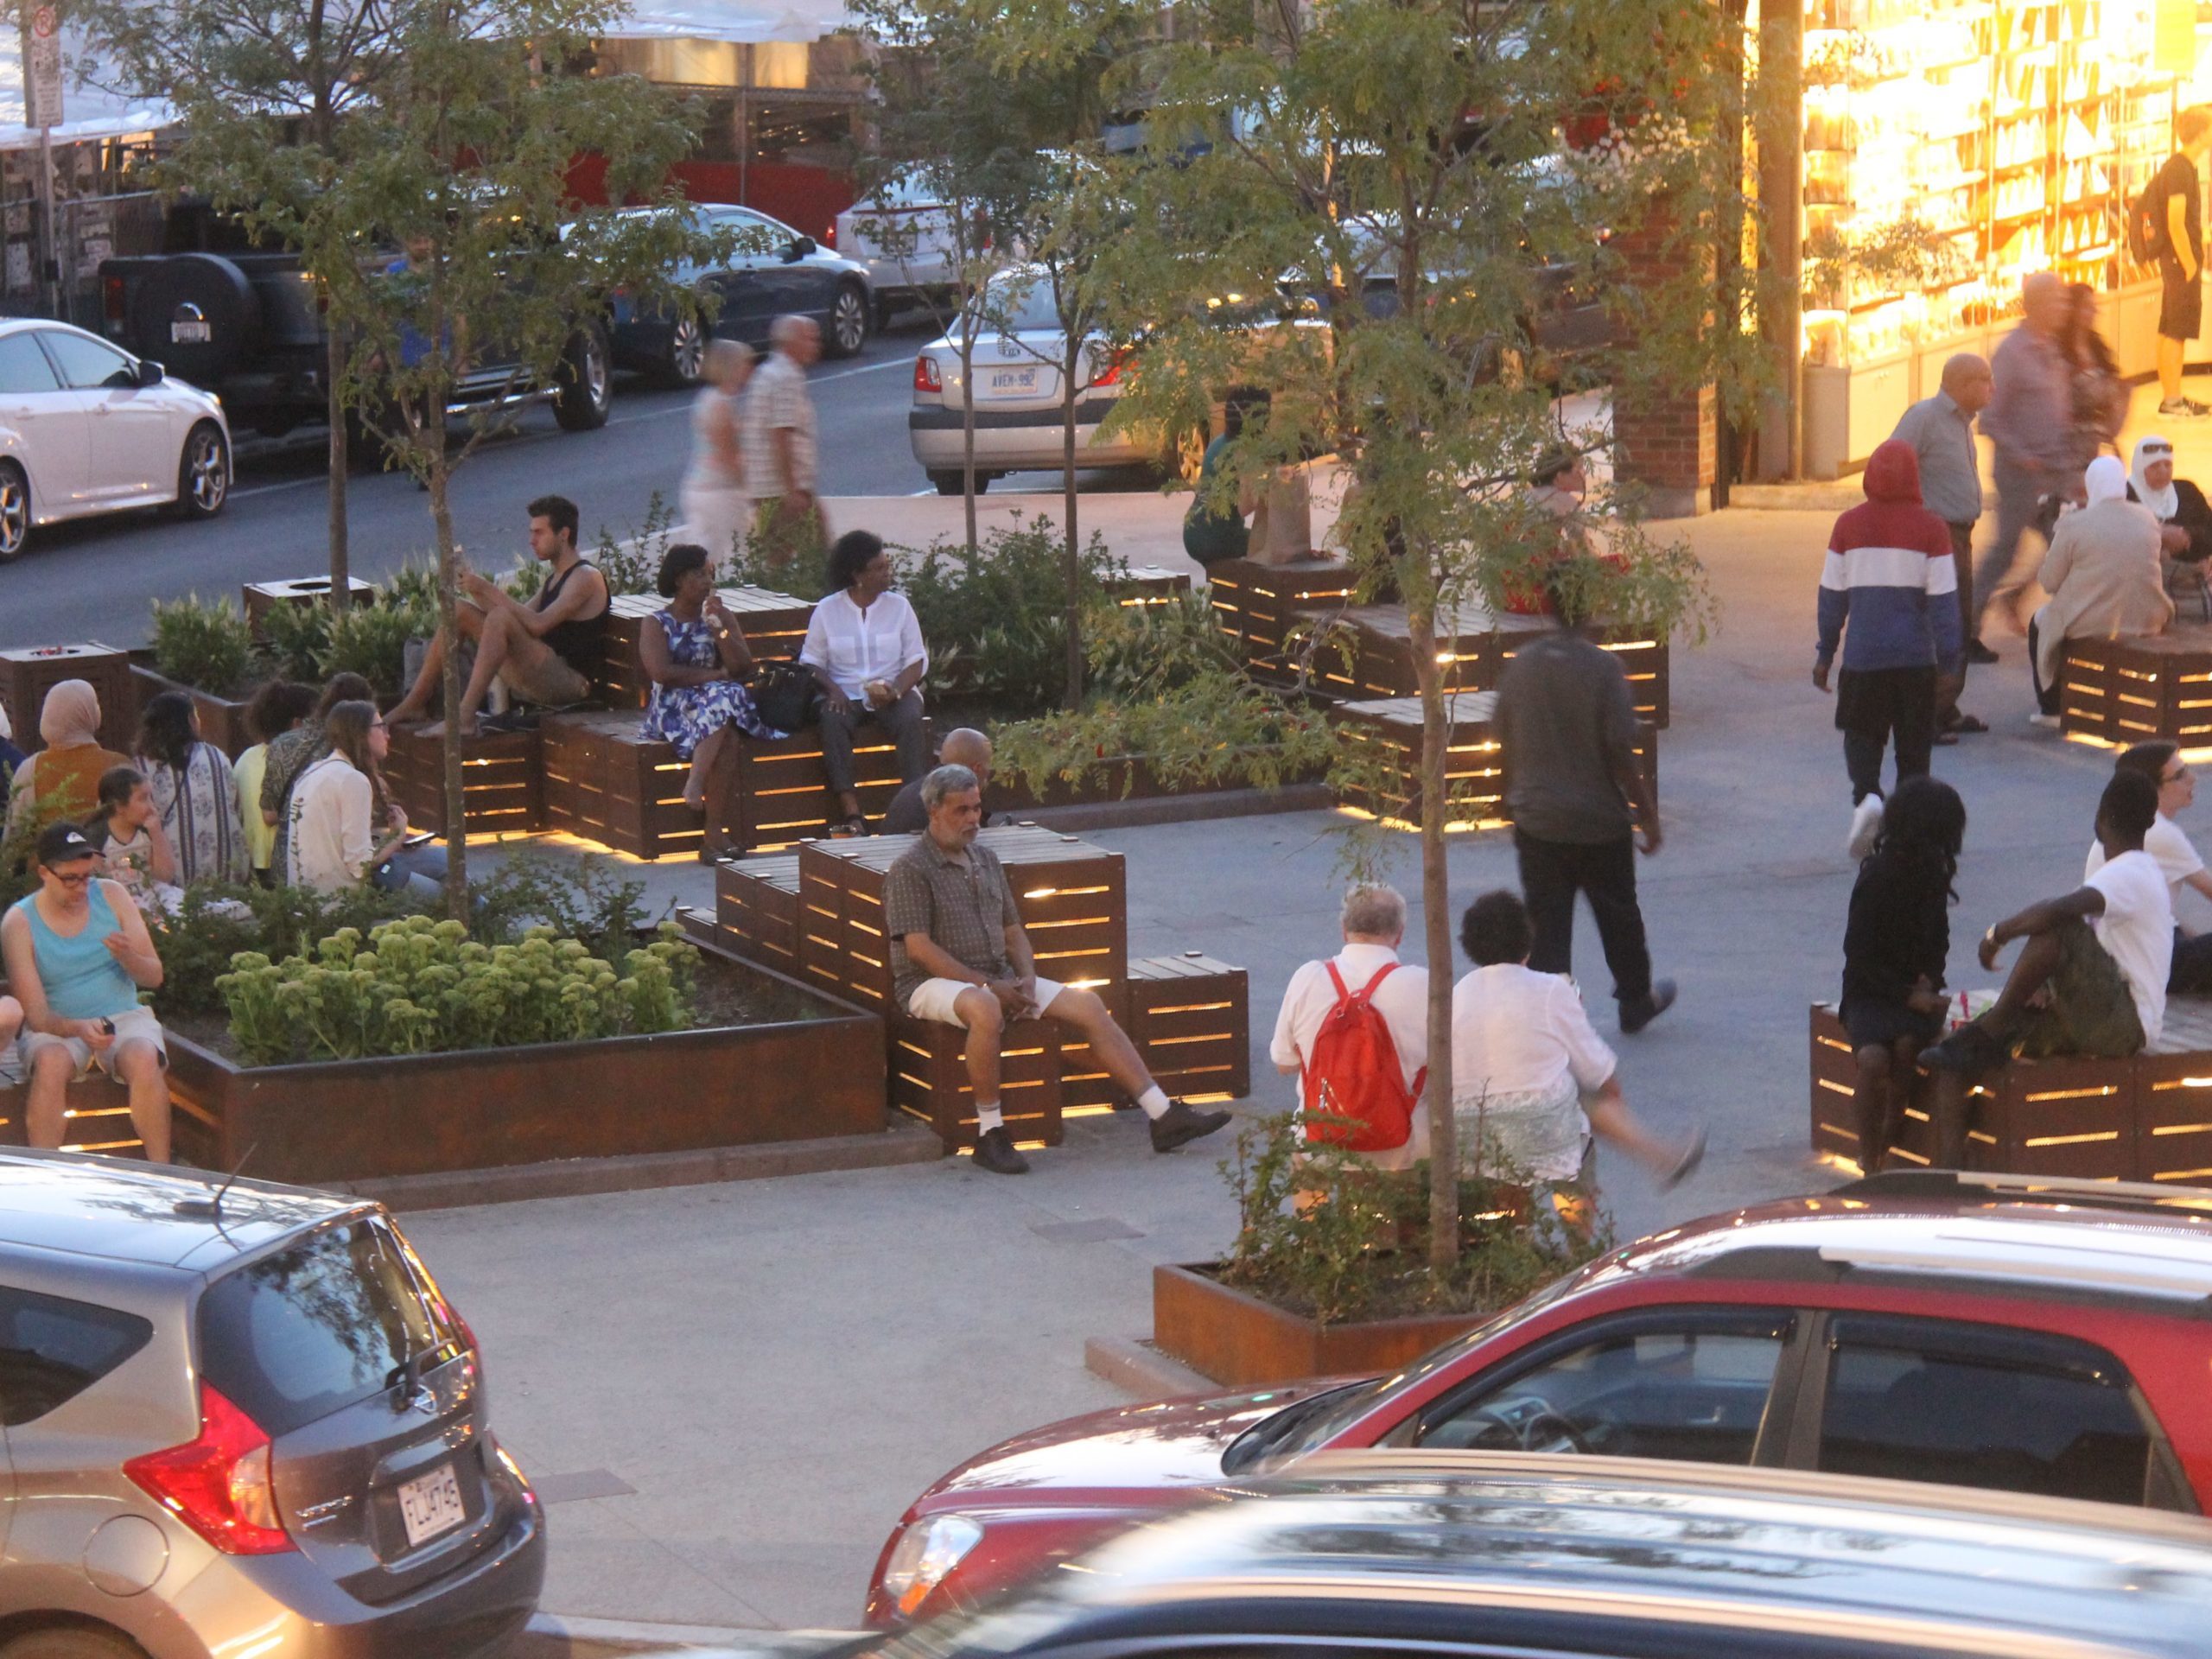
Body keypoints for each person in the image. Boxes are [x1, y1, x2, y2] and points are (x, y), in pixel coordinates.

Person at [884, 764, 1230, 1176]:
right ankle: (990, 1133)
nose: (973, 818)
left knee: (1088, 1005)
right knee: (985, 1007)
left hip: (995, 975)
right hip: (929, 984)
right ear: (934, 811)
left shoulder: (986, 859)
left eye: (977, 808)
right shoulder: (910, 868)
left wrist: (1027, 976)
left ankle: (1162, 1115)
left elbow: (1013, 930)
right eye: (962, 810)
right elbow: (919, 949)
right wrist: (989, 985)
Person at [1921, 771, 2171, 1167]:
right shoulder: (2132, 872)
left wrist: (1998, 934)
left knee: (2058, 926)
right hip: (2093, 1016)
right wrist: (2049, 987)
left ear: (2100, 818)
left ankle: (1995, 1025)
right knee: (1958, 1056)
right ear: (2151, 821)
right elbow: (2094, 957)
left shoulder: (2132, 871)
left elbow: (2059, 914)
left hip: (2125, 1024)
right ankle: (1949, 1175)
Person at [1452, 890, 1701, 1227]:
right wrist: (1613, 1100)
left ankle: (1516, 1236)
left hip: (1475, 1133)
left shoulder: (1456, 994)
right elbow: (1598, 1069)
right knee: (1587, 1101)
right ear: (1527, 941)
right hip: (1543, 1131)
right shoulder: (1551, 989)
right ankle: (1581, 1239)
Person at [1495, 569, 1673, 1033]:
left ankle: (1551, 1016)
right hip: (1599, 823)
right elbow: (1620, 752)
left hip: (1538, 821)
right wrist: (1648, 817)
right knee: (1619, 915)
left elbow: (1504, 740)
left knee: (1546, 925)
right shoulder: (1604, 669)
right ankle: (1635, 998)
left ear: (1548, 605)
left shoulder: (1522, 665)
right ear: (1589, 607)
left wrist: (1507, 800)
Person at [1814, 438, 1963, 861]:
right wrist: (1950, 662)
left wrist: (1825, 654)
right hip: (1916, 663)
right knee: (1914, 751)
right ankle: (1909, 836)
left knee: (1861, 737)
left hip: (1864, 660)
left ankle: (1868, 798)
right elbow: (1945, 603)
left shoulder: (1847, 526)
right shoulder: (1933, 529)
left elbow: (1831, 598)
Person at [0, 821, 170, 1161]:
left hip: (122, 1017)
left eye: (87, 876)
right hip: (57, 1026)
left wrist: (128, 957)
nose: (82, 887)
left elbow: (154, 977)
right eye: (71, 879)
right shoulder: (19, 922)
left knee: (143, 1056)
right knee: (50, 1062)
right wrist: (78, 1028)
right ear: (45, 873)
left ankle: (162, 1172)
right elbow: (37, 1016)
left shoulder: (112, 895)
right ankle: (46, 1173)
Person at [386, 494, 611, 734]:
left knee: (501, 618)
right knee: (460, 610)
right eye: (531, 532)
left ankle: (464, 717)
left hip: (572, 683)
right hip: (543, 669)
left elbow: (538, 624)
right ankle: (415, 702)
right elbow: (520, 618)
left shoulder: (586, 577)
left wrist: (486, 588)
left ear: (563, 535)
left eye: (539, 533)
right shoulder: (555, 578)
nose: (532, 541)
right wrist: (474, 589)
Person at [1840, 777, 1966, 1175]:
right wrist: (1907, 995)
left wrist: (1931, 977)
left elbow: (1939, 939)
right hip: (1871, 992)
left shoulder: (1932, 875)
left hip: (1915, 991)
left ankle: (1892, 1128)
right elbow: (1858, 957)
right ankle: (1869, 1157)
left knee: (1910, 1045)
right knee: (1874, 1059)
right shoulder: (1877, 876)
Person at [1269, 884, 1429, 1173]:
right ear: (1400, 933)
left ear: (1344, 930)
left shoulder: (1308, 977)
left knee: (1303, 1162)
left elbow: (1284, 1063)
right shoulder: (1422, 984)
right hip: (1400, 1144)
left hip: (1323, 1140)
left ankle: (1309, 1203)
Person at [1889, 353, 1993, 739]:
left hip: (1960, 535)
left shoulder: (1963, 424)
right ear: (1962, 384)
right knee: (1943, 624)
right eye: (1984, 380)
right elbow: (1892, 465)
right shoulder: (1924, 418)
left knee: (1959, 622)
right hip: (1936, 535)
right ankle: (1926, 713)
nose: (1992, 388)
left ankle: (1945, 705)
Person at [1974, 272, 2077, 657]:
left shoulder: (2050, 348)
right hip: (2022, 474)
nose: (2064, 307)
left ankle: (2025, 603)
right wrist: (2024, 457)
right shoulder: (2012, 353)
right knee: (2006, 549)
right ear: (2036, 305)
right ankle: (1966, 627)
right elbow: (1990, 418)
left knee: (2067, 546)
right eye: (2057, 301)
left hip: (2056, 471)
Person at [801, 531, 930, 835]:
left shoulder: (899, 607)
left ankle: (916, 808)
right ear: (857, 575)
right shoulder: (828, 610)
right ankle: (852, 814)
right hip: (845, 693)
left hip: (894, 691)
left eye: (887, 565)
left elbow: (916, 660)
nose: (887, 573)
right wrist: (833, 690)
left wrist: (895, 690)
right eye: (879, 568)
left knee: (911, 719)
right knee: (831, 719)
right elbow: (811, 662)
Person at [639, 542, 782, 810]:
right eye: (700, 574)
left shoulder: (721, 616)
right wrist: (715, 674)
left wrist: (718, 627)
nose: (708, 582)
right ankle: (697, 791)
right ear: (679, 579)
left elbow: (741, 668)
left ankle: (701, 799)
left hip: (712, 700)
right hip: (673, 705)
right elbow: (661, 672)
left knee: (728, 698)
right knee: (726, 722)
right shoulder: (656, 622)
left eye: (711, 575)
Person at [2029, 456, 2171, 721]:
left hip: (2096, 621)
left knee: (2040, 620)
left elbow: (2049, 582)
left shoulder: (2074, 523)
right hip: (2147, 616)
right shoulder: (2147, 518)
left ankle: (2051, 709)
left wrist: (2059, 536)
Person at [2094, 742, 2212, 995]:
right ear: (2151, 789)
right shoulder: (2161, 833)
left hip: (2123, 956)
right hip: (2146, 964)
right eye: (2180, 775)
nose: (2193, 778)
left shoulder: (2124, 823)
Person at [287, 702, 431, 896]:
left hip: (306, 895)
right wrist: (397, 836)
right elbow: (360, 865)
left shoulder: (314, 771)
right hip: (339, 899)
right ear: (361, 733)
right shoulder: (352, 779)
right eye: (381, 727)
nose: (388, 735)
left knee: (441, 859)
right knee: (445, 891)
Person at [260, 672, 373, 885]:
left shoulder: (281, 743)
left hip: (285, 864)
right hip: (331, 873)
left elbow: (268, 814)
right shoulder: (346, 751)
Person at [133, 690, 246, 887]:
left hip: (170, 881)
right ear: (190, 721)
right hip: (225, 876)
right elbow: (235, 806)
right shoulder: (216, 757)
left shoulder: (141, 767)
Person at [2145, 106, 2212, 418]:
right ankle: (2172, 401)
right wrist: (2190, 264)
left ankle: (2172, 396)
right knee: (2176, 330)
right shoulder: (2180, 170)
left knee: (2170, 327)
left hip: (2175, 260)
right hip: (2179, 262)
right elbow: (2176, 222)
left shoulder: (2181, 167)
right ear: (2201, 133)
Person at [2, 681, 128, 846]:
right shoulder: (118, 765)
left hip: (48, 861)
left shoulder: (30, 768)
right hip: (109, 859)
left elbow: (15, 836)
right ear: (87, 713)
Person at [743, 315, 823, 574]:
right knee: (821, 558)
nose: (816, 345)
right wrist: (792, 490)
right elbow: (781, 435)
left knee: (777, 558)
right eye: (810, 339)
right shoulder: (786, 377)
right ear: (791, 342)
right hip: (783, 489)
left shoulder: (768, 372)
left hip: (765, 487)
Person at [681, 339, 754, 574]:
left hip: (699, 487)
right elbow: (729, 455)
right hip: (720, 491)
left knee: (705, 553)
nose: (749, 370)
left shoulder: (706, 398)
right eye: (745, 364)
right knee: (740, 553)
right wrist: (749, 491)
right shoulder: (721, 405)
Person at [234, 679, 315, 887]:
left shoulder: (246, 758)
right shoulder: (294, 761)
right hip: (283, 857)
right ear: (297, 724)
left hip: (252, 856)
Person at [2126, 435, 2212, 623]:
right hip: (2144, 587)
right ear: (2140, 467)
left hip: (2191, 585)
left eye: (2168, 465)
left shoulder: (2186, 491)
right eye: (2154, 466)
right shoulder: (2126, 495)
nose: (2163, 471)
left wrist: (2187, 538)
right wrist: (2159, 536)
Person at [88, 765, 180, 912]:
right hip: (118, 902)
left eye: (150, 798)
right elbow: (96, 884)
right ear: (119, 806)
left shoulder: (148, 830)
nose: (151, 806)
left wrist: (156, 834)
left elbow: (165, 876)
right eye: (143, 799)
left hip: (154, 897)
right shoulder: (97, 837)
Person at [2061, 283, 2128, 474]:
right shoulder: (2058, 351)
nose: (2094, 312)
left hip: (2100, 440)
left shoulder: (2097, 346)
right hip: (2072, 446)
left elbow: (2114, 386)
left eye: (2094, 307)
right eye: (2087, 307)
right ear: (2072, 310)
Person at [882, 728, 994, 836]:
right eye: (988, 765)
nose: (989, 770)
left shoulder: (917, 790)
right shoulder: (956, 798)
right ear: (977, 768)